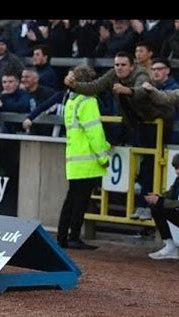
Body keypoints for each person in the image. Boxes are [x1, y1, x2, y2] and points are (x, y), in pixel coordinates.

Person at [56, 65, 111, 250]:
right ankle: (73, 237)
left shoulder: (71, 100)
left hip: (74, 158)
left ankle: (63, 237)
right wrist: (103, 156)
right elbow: (94, 132)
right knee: (80, 201)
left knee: (71, 199)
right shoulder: (87, 101)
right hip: (88, 160)